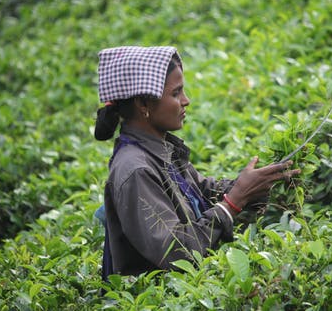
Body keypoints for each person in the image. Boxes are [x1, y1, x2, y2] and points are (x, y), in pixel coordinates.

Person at [94, 46, 300, 280]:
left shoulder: (159, 148)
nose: (186, 101)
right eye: (176, 93)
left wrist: (257, 183)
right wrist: (234, 201)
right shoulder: (135, 170)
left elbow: (202, 192)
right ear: (143, 105)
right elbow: (178, 253)